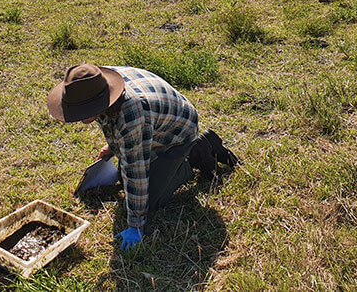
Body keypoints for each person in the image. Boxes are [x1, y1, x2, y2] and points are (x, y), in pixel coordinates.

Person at [47, 64, 238, 251]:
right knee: (126, 181)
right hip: (157, 121)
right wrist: (114, 146)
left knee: (150, 202)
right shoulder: (93, 82)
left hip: (178, 133)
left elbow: (136, 172)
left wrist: (135, 226)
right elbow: (111, 120)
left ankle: (197, 150)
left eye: (84, 112)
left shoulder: (131, 114)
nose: (80, 118)